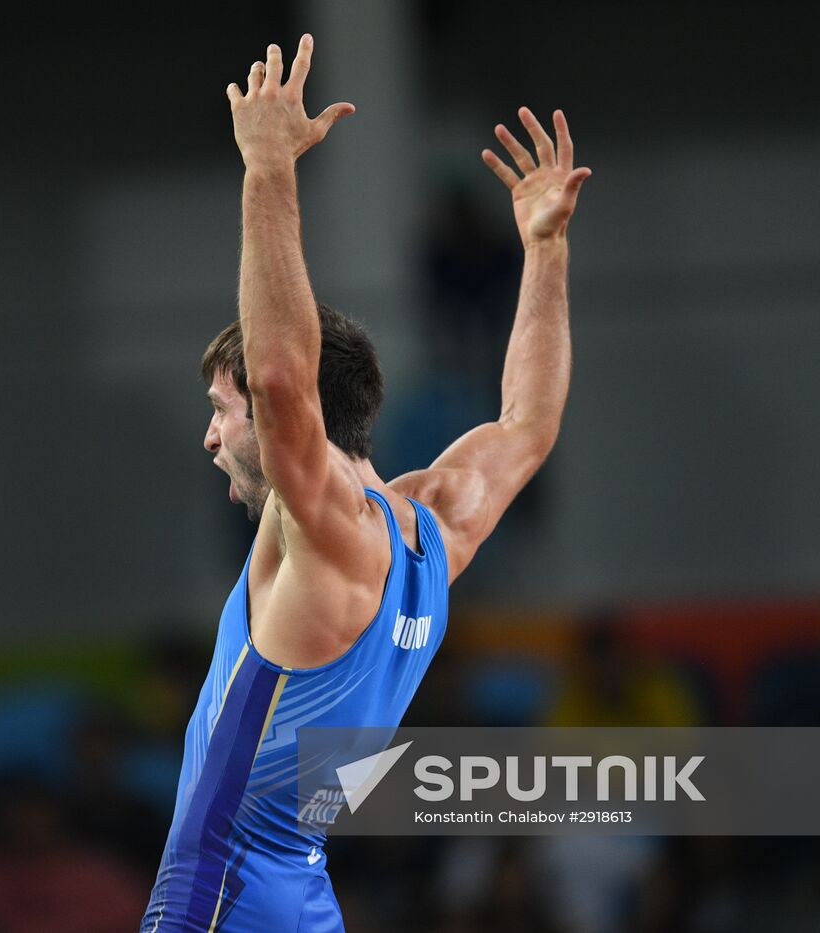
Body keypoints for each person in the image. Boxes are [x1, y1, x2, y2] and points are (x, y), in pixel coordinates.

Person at [140, 35, 590, 932]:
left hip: (224, 891)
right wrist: (545, 251)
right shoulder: (431, 528)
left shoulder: (329, 527)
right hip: (303, 890)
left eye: (220, 410)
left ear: (278, 422)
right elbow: (526, 426)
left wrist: (267, 171)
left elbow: (275, 375)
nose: (211, 433)